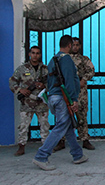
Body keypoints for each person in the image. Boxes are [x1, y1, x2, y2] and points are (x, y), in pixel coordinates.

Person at [33, 35, 88, 171]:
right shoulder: (67, 59)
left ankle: (77, 155)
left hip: (53, 97)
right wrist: (73, 99)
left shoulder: (53, 59)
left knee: (68, 127)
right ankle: (41, 156)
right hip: (62, 97)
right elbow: (69, 80)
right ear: (69, 45)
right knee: (61, 126)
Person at [53, 37, 96, 151]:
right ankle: (61, 141)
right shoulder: (63, 58)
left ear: (80, 46)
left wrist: (84, 80)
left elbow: (91, 70)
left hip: (80, 92)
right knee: (63, 115)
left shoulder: (84, 59)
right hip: (66, 91)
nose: (75, 47)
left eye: (77, 45)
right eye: (73, 45)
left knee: (82, 115)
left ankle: (84, 139)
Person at [9, 46, 50, 156]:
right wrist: (20, 90)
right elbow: (12, 82)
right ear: (29, 54)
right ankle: (21, 147)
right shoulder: (22, 69)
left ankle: (45, 147)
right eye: (33, 53)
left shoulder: (45, 69)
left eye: (37, 53)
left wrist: (44, 86)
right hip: (27, 103)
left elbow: (51, 83)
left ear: (40, 55)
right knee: (23, 126)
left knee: (44, 125)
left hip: (41, 102)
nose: (35, 55)